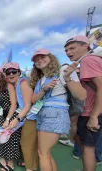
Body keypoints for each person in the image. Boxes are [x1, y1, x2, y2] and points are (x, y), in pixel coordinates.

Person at [30, 48, 86, 171]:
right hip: (42, 114)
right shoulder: (41, 80)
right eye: (36, 59)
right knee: (46, 153)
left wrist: (68, 78)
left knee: (42, 154)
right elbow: (34, 100)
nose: (39, 60)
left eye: (42, 57)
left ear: (51, 57)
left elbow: (82, 95)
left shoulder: (63, 71)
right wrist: (44, 89)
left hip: (55, 113)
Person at [64, 35, 102, 171]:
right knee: (85, 144)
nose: (68, 52)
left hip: (90, 112)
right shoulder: (95, 59)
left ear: (85, 46)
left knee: (87, 149)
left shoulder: (87, 61)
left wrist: (93, 116)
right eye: (66, 50)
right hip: (93, 111)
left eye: (72, 48)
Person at [3, 62, 37, 171]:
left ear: (19, 72)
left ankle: (30, 168)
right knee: (30, 145)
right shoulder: (18, 84)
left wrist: (17, 119)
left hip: (31, 118)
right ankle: (32, 165)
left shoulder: (23, 83)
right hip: (27, 117)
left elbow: (28, 105)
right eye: (8, 72)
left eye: (14, 71)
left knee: (26, 145)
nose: (11, 74)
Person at [0, 67, 21, 171]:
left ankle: (10, 162)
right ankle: (2, 159)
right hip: (0, 115)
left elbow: (13, 104)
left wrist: (7, 119)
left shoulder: (9, 85)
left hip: (9, 115)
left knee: (10, 138)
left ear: (2, 76)